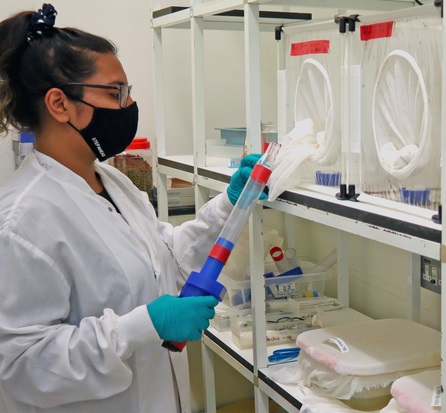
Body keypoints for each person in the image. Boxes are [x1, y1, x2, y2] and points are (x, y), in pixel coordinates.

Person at [0, 4, 263, 412]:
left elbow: (167, 258)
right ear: (60, 104)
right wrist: (140, 327)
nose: (128, 105)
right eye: (115, 92)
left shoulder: (112, 180)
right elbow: (20, 367)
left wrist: (230, 203)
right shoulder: (22, 220)